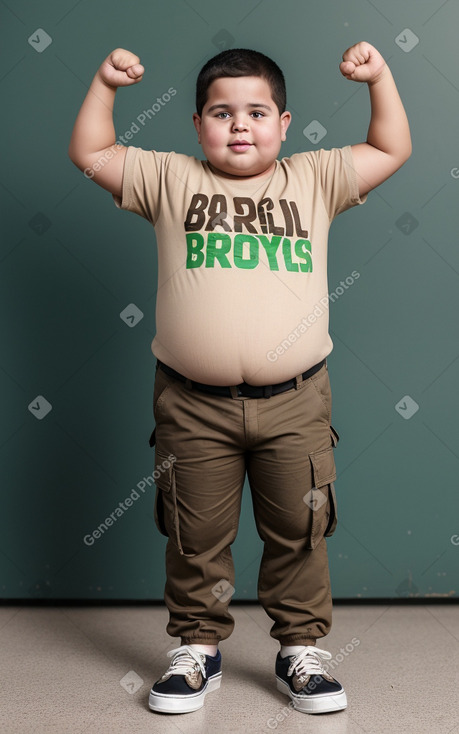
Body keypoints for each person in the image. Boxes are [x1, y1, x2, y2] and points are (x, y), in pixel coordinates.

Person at [68, 41, 411, 716]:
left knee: (299, 529)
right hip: (192, 405)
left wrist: (380, 75)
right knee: (195, 535)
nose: (239, 125)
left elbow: (389, 148)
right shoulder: (171, 178)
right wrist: (105, 83)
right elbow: (92, 153)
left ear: (285, 124)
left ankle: (300, 650)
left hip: (296, 401)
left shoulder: (313, 178)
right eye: (221, 113)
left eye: (257, 111)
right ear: (196, 125)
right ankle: (197, 647)